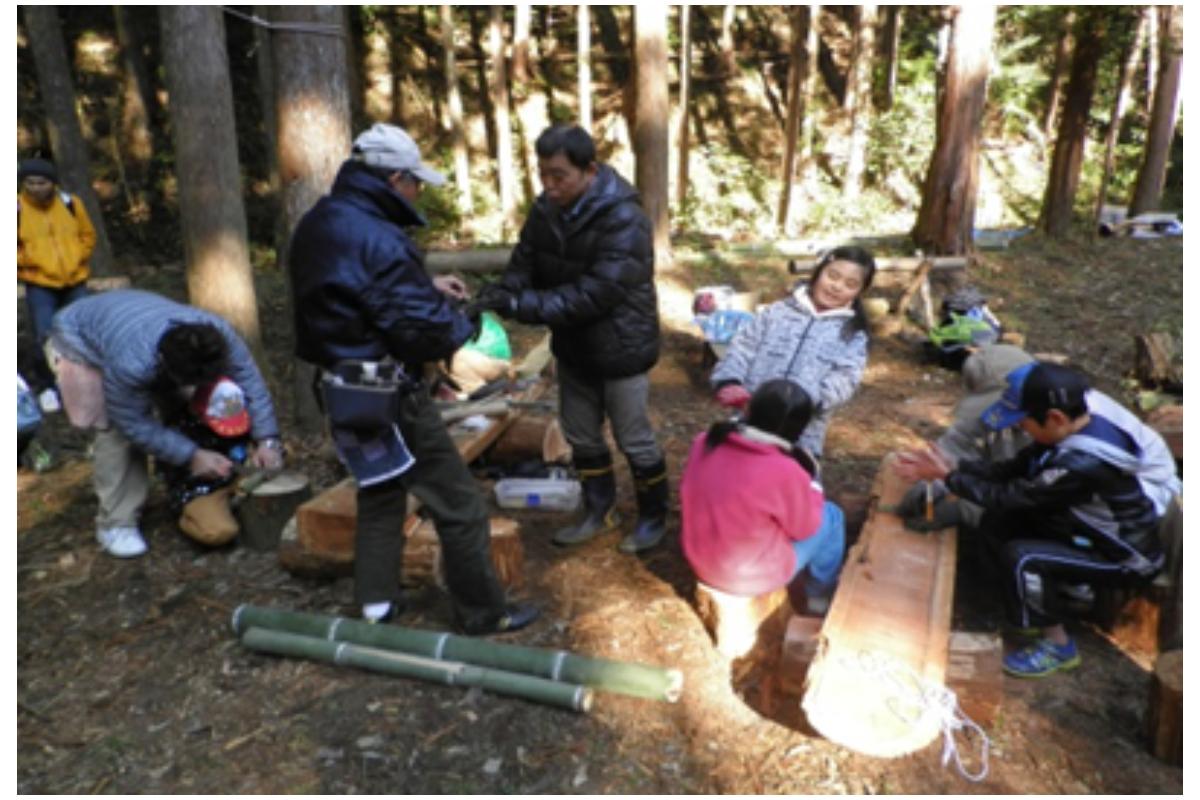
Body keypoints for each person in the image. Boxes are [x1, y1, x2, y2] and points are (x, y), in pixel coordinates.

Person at [287, 122, 538, 636]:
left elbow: (357, 288)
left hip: (340, 385)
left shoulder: (322, 220)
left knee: (379, 487)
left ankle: (376, 603)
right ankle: (484, 612)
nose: (418, 191)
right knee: (459, 502)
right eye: (415, 181)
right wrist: (468, 315)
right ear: (395, 178)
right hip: (387, 392)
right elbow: (425, 334)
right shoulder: (380, 237)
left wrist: (424, 285)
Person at [896, 362, 1181, 678]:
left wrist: (950, 479)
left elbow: (1010, 496)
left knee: (1024, 557)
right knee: (997, 523)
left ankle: (1057, 645)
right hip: (1087, 529)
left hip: (1125, 556)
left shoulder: (1082, 462)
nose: (1020, 430)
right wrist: (955, 467)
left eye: (1023, 422)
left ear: (1055, 418)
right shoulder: (1068, 430)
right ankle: (1030, 613)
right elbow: (1010, 470)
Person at [475, 124, 668, 554]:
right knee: (581, 436)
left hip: (622, 347)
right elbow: (524, 262)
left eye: (559, 175)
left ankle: (653, 516)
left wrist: (523, 306)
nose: (549, 185)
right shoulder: (546, 210)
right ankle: (599, 510)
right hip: (574, 347)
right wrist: (503, 292)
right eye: (543, 174)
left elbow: (595, 294)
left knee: (633, 437)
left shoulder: (625, 219)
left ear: (589, 171)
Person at [47, 289, 284, 558]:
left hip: (131, 318)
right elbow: (132, 423)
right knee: (114, 431)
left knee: (188, 404)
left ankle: (183, 482)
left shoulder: (218, 335)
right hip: (79, 337)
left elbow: (250, 382)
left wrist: (268, 440)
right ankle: (116, 523)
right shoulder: (131, 365)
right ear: (166, 366)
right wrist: (191, 455)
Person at [680, 380, 845, 615]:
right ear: (800, 430)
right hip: (749, 577)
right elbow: (804, 529)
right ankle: (818, 595)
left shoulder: (706, 441)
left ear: (749, 409)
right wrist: (813, 484)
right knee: (832, 516)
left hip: (698, 557)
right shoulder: (787, 471)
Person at [710, 246, 876, 458]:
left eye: (850, 284)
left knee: (783, 489)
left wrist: (805, 402)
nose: (837, 286)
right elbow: (742, 347)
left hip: (802, 437)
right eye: (832, 276)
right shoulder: (777, 312)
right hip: (749, 421)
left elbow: (845, 379)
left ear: (860, 292)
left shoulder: (852, 334)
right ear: (818, 272)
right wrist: (729, 382)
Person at [17, 158, 95, 412]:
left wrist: (77, 257)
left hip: (75, 279)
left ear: (52, 183)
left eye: (42, 182)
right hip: (40, 283)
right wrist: (31, 262)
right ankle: (51, 387)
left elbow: (87, 235)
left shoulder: (70, 204)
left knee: (83, 331)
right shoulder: (15, 208)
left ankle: (87, 385)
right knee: (45, 336)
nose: (36, 188)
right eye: (30, 183)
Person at [161, 376, 256, 547]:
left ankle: (235, 503)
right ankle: (190, 517)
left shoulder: (240, 406)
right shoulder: (180, 433)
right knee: (219, 532)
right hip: (203, 491)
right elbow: (171, 474)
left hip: (238, 478)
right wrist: (195, 464)